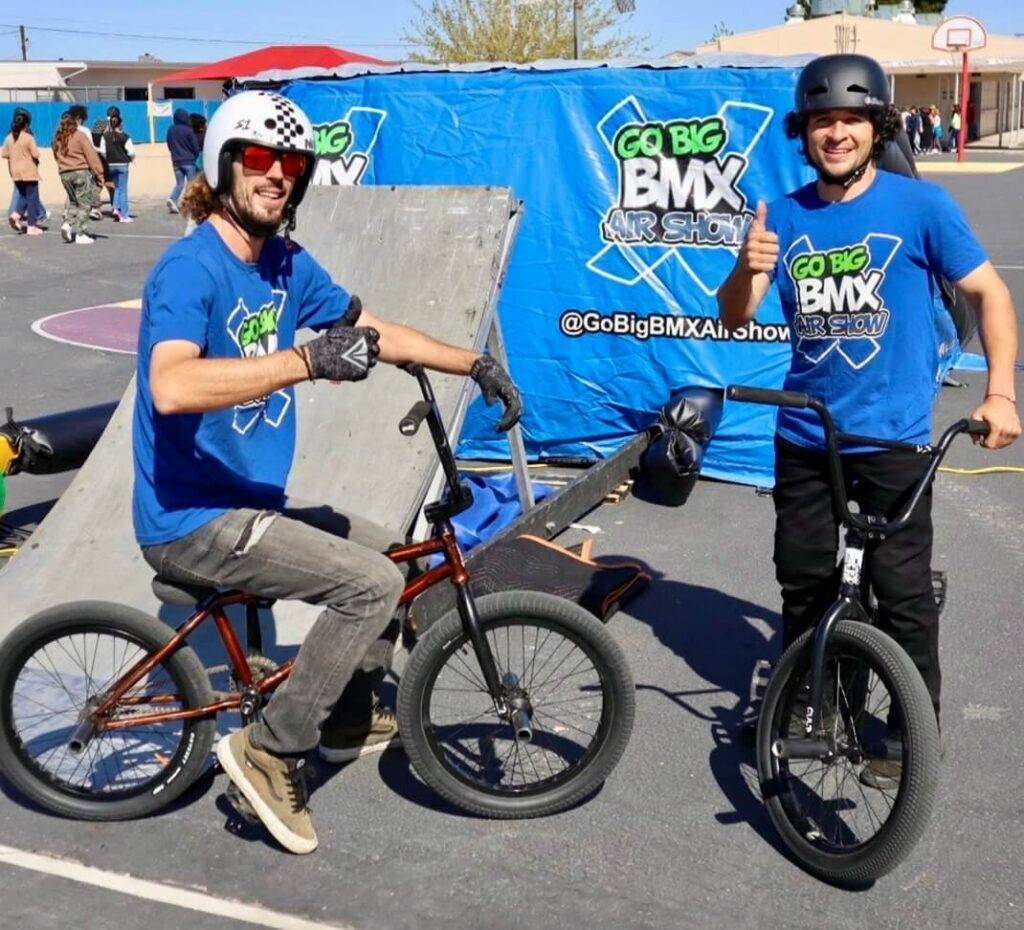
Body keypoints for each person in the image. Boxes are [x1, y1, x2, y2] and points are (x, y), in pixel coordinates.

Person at [133, 90, 523, 854]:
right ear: (224, 164)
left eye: (292, 165)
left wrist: (471, 363)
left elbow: (371, 327)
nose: (277, 176)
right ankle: (272, 748)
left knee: (392, 558)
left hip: (251, 504)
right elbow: (171, 385)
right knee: (368, 586)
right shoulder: (190, 270)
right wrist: (303, 361)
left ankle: (344, 715)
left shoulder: (283, 263)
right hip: (191, 519)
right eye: (261, 160)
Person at [718, 54, 1020, 789]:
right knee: (805, 584)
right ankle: (814, 704)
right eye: (823, 122)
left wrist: (1002, 394)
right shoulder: (781, 216)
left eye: (851, 120)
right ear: (806, 132)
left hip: (893, 438)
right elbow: (735, 316)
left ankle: (910, 729)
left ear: (877, 126)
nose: (837, 134)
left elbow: (990, 297)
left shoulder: (921, 208)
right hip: (806, 438)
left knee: (903, 595)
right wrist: (745, 266)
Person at [52, 110, 104, 245]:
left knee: (73, 201)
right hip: (81, 172)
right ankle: (81, 233)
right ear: (75, 122)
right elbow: (91, 155)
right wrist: (99, 173)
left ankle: (67, 224)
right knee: (85, 204)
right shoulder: (79, 136)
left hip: (64, 174)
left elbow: (55, 155)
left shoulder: (57, 137)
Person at [2, 108, 44, 235]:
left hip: (15, 171)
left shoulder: (9, 138)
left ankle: (16, 214)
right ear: (26, 124)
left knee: (23, 195)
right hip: (28, 171)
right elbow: (36, 154)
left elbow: (5, 154)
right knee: (32, 197)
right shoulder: (28, 137)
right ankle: (31, 225)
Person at [100, 112, 135, 222]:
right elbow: (131, 152)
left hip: (111, 165)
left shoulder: (105, 136)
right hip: (123, 165)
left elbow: (102, 151)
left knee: (117, 188)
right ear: (120, 124)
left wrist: (109, 158)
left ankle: (115, 208)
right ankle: (124, 215)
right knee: (123, 189)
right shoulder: (125, 137)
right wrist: (131, 158)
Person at [165, 108, 200, 213]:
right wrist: (195, 155)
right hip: (189, 161)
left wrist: (174, 154)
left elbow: (169, 144)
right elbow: (195, 146)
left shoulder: (170, 130)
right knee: (191, 184)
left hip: (176, 161)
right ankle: (190, 205)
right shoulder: (189, 130)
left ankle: (172, 199)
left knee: (179, 184)